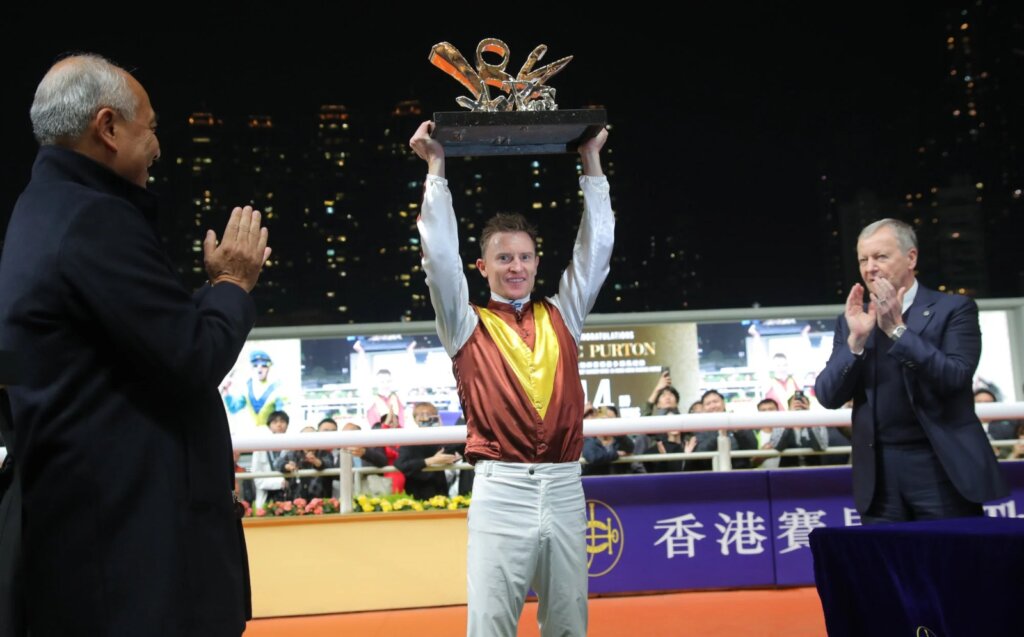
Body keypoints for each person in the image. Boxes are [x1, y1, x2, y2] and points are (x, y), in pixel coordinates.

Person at [0, 54, 269, 635]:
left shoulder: (42, 210)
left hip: (88, 543)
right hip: (132, 560)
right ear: (108, 127)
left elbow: (148, 339)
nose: (157, 146)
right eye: (149, 127)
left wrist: (209, 294)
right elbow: (192, 357)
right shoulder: (95, 219)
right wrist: (232, 285)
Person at [410, 119, 613, 636]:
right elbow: (437, 260)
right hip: (501, 490)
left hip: (567, 486)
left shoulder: (564, 313)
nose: (516, 266)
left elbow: (596, 252)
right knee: (492, 626)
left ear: (538, 261)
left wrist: (591, 162)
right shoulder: (464, 322)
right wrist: (437, 168)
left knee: (569, 624)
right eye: (504, 258)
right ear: (482, 266)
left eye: (524, 256)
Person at [815, 218, 1007, 523]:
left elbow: (955, 377)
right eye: (863, 260)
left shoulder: (953, 309)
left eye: (881, 257)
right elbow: (827, 395)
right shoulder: (855, 319)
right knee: (887, 567)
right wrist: (856, 341)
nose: (870, 268)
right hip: (878, 473)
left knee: (951, 565)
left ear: (911, 258)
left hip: (940, 464)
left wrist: (897, 331)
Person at [395, 402, 460, 500]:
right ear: (415, 419)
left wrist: (441, 429)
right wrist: (431, 460)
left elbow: (451, 455)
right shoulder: (409, 439)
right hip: (415, 491)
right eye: (421, 414)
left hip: (439, 491)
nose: (425, 418)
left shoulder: (440, 437)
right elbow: (401, 464)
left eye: (429, 414)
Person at [221, 350, 287, 429]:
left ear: (269, 367)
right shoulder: (247, 388)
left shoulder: (277, 388)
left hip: (271, 435)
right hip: (252, 434)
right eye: (256, 365)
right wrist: (226, 391)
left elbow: (281, 416)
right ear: (252, 367)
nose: (259, 368)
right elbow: (233, 408)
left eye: (264, 365)